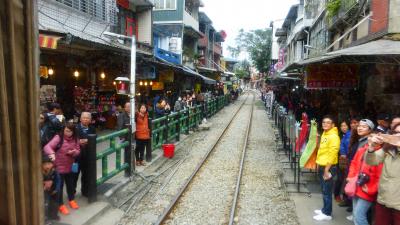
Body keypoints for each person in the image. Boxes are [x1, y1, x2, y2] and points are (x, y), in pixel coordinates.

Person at [346, 120, 383, 225]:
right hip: (357, 185)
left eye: (375, 137)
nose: (371, 139)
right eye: (370, 137)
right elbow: (353, 163)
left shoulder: (382, 154)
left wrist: (371, 189)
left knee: (359, 215)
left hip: (368, 189)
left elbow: (380, 176)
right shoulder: (362, 149)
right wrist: (351, 176)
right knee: (356, 215)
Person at [366, 123, 400, 225]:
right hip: (383, 201)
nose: (398, 136)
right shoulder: (388, 149)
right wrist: (372, 147)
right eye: (396, 133)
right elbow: (371, 161)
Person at [44, 122, 80, 215]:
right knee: (59, 186)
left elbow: (78, 150)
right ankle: (60, 204)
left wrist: (74, 152)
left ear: (73, 132)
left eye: (70, 131)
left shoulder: (76, 138)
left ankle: (71, 200)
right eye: (66, 131)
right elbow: (47, 147)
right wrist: (52, 154)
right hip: (59, 166)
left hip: (70, 166)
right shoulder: (58, 138)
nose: (67, 133)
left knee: (71, 185)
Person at [313, 115, 340, 221]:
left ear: (333, 124)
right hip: (323, 165)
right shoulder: (325, 133)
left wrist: (326, 169)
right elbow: (322, 150)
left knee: (327, 191)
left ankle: (327, 213)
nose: (325, 124)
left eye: (328, 122)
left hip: (328, 167)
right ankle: (325, 209)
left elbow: (333, 154)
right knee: (324, 190)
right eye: (324, 122)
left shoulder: (333, 136)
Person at [75, 112, 96, 197]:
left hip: (88, 156)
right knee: (74, 174)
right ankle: (71, 193)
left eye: (88, 118)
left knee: (86, 175)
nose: (86, 119)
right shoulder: (75, 128)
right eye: (84, 118)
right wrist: (79, 142)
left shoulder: (92, 128)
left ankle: (85, 191)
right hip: (76, 157)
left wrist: (87, 140)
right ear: (80, 119)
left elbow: (95, 137)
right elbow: (71, 139)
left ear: (90, 120)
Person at [335, 120, 351, 203]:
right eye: (342, 126)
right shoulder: (344, 135)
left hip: (345, 159)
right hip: (342, 159)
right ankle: (340, 196)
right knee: (341, 178)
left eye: (345, 126)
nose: (343, 128)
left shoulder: (349, 135)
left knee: (342, 178)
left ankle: (340, 195)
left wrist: (343, 153)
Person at [42, 156, 61, 223]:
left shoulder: (54, 171)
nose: (47, 166)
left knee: (55, 204)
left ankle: (54, 216)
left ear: (52, 164)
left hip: (54, 191)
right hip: (45, 191)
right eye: (45, 164)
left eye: (49, 164)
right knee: (45, 204)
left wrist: (56, 189)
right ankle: (45, 219)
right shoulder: (40, 173)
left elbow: (58, 180)